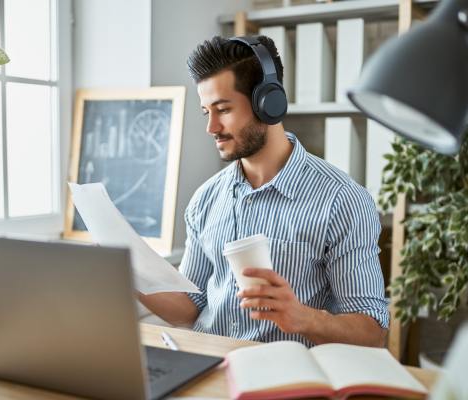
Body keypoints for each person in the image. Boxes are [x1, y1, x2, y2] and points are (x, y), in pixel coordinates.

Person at [138, 35, 389, 348]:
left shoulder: (343, 201)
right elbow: (192, 308)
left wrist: (302, 317)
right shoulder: (205, 199)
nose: (211, 127)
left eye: (223, 109)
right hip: (209, 370)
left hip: (287, 380)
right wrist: (130, 274)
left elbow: (372, 332)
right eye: (207, 112)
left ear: (269, 103)